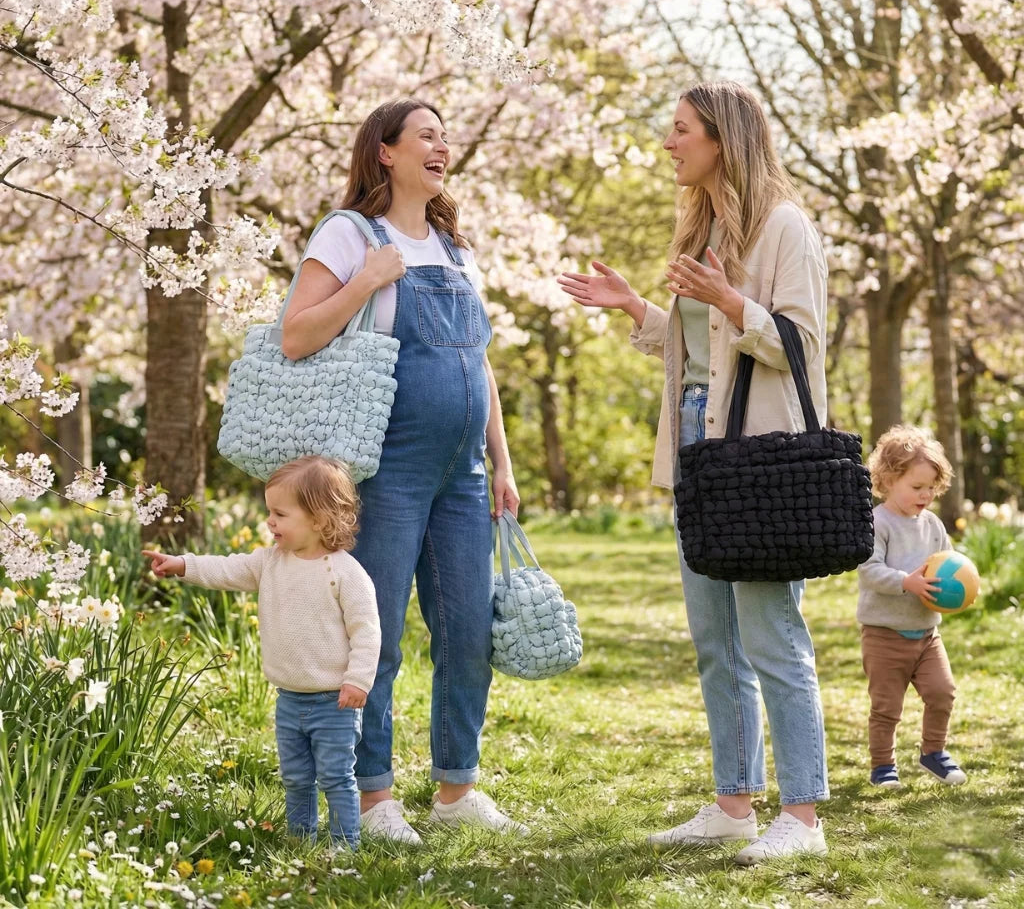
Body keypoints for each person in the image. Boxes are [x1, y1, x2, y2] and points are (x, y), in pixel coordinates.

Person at [558, 80, 830, 865]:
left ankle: (805, 816)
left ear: (721, 137)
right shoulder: (706, 223)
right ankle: (733, 805)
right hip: (697, 446)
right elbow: (699, 350)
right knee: (716, 640)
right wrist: (638, 309)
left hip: (758, 454)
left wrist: (732, 300)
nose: (668, 143)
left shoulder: (784, 226)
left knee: (772, 636)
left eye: (680, 130)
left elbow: (800, 348)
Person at [279, 98, 525, 845]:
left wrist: (502, 461)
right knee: (375, 632)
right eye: (427, 135)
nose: (442, 145)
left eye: (445, 136)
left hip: (464, 476)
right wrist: (364, 282)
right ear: (385, 152)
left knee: (468, 632)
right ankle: (376, 793)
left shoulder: (455, 248)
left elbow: (477, 362)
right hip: (385, 468)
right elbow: (294, 335)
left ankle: (456, 787)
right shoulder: (350, 234)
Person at [142, 455, 380, 850]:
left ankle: (345, 844)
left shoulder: (345, 573)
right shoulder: (269, 563)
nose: (270, 521)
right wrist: (183, 564)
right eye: (269, 511)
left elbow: (367, 632)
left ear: (320, 519)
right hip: (289, 699)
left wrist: (358, 681)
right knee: (296, 776)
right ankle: (301, 838)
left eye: (280, 514)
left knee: (337, 776)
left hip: (334, 702)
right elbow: (226, 569)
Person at [858, 425, 966, 789]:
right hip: (884, 635)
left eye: (931, 488)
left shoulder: (933, 524)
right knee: (886, 706)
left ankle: (933, 752)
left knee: (942, 692)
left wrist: (963, 583)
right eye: (916, 487)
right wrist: (907, 581)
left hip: (926, 633)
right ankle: (882, 765)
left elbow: (948, 561)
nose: (925, 495)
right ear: (888, 480)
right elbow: (869, 570)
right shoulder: (878, 522)